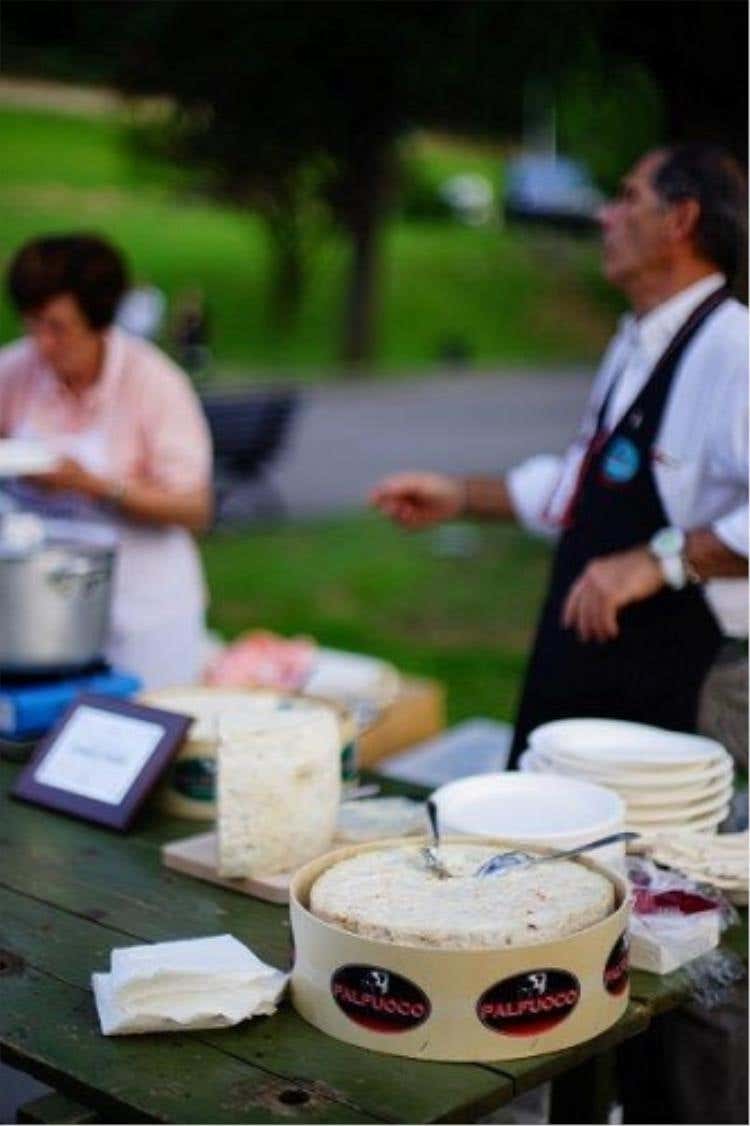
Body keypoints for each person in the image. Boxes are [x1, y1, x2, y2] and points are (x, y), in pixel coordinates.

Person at [371, 144, 748, 1124]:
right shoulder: (641, 339)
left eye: (623, 197)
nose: (601, 216)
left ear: (681, 221)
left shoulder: (733, 346)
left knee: (681, 943)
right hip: (594, 677)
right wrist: (461, 494)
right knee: (570, 920)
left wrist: (657, 560)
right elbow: (582, 480)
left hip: (685, 684)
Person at [0, 234, 213, 689]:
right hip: (35, 612)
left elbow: (195, 508)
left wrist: (91, 484)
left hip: (141, 611)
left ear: (98, 322)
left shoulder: (154, 383)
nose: (42, 343)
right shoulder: (14, 371)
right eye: (32, 324)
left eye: (58, 327)